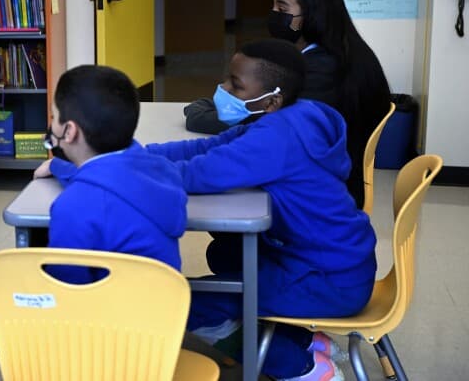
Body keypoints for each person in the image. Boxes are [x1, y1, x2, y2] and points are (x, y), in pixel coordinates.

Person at [148, 39, 376, 381]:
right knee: (225, 252)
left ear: (271, 100)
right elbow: (209, 145)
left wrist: (111, 171)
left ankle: (302, 368)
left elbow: (198, 174)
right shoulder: (298, 114)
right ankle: (301, 336)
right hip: (342, 264)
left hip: (327, 281)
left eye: (236, 86)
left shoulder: (276, 139)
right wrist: (132, 155)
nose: (223, 90)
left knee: (187, 301)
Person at [0, 64, 188, 376]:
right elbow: (108, 179)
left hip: (97, 351)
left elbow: (64, 300)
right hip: (154, 341)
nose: (51, 123)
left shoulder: (75, 206)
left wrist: (16, 341)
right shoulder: (161, 170)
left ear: (69, 131)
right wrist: (61, 168)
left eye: (54, 116)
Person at [184, 0, 391, 208]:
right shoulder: (332, 54)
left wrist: (201, 115)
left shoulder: (322, 71)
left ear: (311, 16)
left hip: (319, 193)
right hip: (319, 176)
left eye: (282, 10)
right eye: (273, 7)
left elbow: (258, 123)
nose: (274, 15)